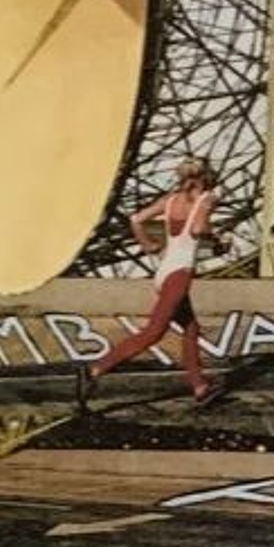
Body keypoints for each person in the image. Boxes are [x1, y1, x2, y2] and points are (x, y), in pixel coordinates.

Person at [87, 155, 221, 405]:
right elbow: (198, 229)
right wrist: (218, 239)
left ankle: (200, 387)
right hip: (180, 274)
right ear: (205, 177)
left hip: (164, 270)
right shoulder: (207, 199)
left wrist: (147, 244)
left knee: (191, 329)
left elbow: (135, 220)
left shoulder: (169, 201)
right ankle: (95, 369)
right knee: (153, 332)